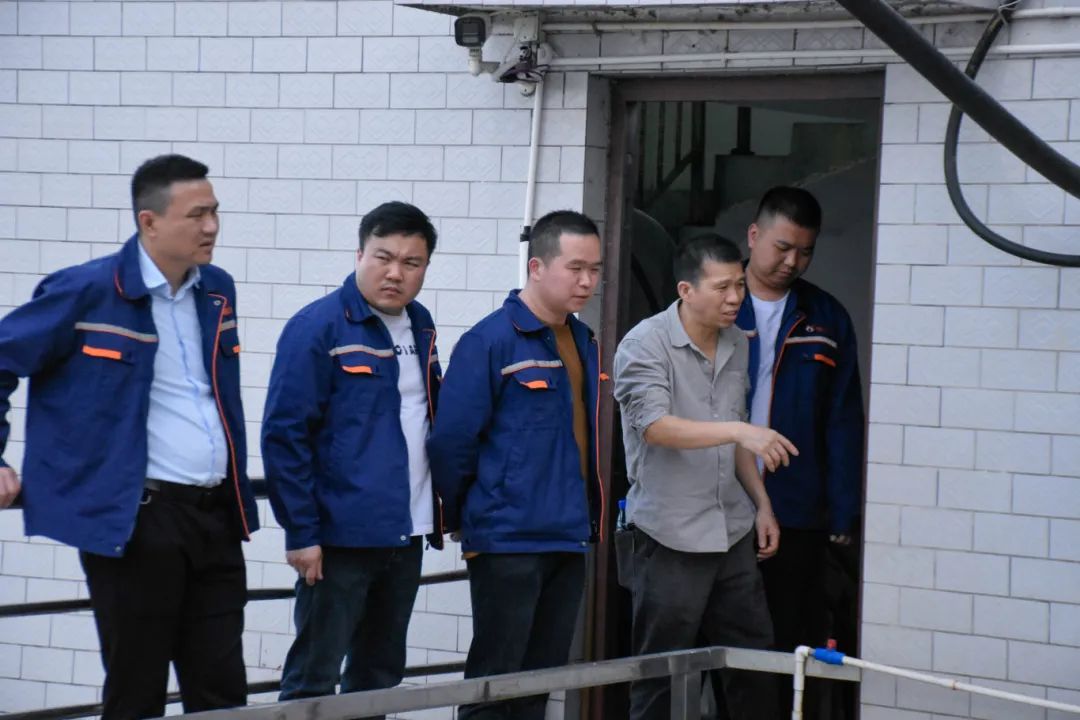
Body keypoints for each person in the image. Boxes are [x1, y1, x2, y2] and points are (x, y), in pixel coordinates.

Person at [0, 154, 259, 718]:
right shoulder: (86, 290)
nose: (212, 227)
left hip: (217, 517)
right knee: (137, 692)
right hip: (136, 522)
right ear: (149, 222)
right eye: (197, 215)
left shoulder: (217, 290)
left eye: (215, 212)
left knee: (223, 695)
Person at [261, 201, 444, 706]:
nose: (395, 273)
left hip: (406, 532)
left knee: (378, 676)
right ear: (359, 254)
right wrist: (301, 532)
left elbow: (426, 416)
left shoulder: (421, 325)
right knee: (314, 676)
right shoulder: (318, 327)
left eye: (411, 262)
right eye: (383, 257)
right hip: (339, 538)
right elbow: (284, 436)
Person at [428, 210, 605, 720]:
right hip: (506, 538)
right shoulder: (490, 341)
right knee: (494, 682)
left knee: (539, 684)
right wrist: (467, 515)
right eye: (575, 268)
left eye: (595, 269)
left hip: (568, 536)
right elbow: (451, 443)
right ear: (536, 267)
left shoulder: (584, 340)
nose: (587, 281)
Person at [613, 234, 794, 720]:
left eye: (739, 284)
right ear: (686, 290)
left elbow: (735, 436)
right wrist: (740, 430)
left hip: (731, 530)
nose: (735, 297)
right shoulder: (643, 344)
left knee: (754, 665)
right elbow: (655, 427)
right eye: (722, 287)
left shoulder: (737, 340)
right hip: (669, 535)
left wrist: (762, 505)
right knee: (660, 675)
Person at [736, 186, 864, 719]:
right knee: (723, 642)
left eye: (805, 251)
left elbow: (843, 421)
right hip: (717, 503)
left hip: (796, 506)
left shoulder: (826, 317)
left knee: (790, 638)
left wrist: (841, 514)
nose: (792, 262)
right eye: (783, 247)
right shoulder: (715, 301)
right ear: (754, 235)